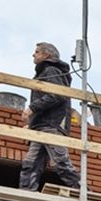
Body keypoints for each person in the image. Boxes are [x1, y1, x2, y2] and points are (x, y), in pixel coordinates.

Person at [19, 41, 81, 191]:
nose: (33, 54)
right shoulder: (44, 72)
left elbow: (57, 95)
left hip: (51, 125)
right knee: (31, 164)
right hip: (41, 125)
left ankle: (84, 192)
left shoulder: (52, 70)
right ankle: (26, 196)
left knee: (61, 162)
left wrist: (32, 108)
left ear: (46, 55)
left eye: (37, 52)